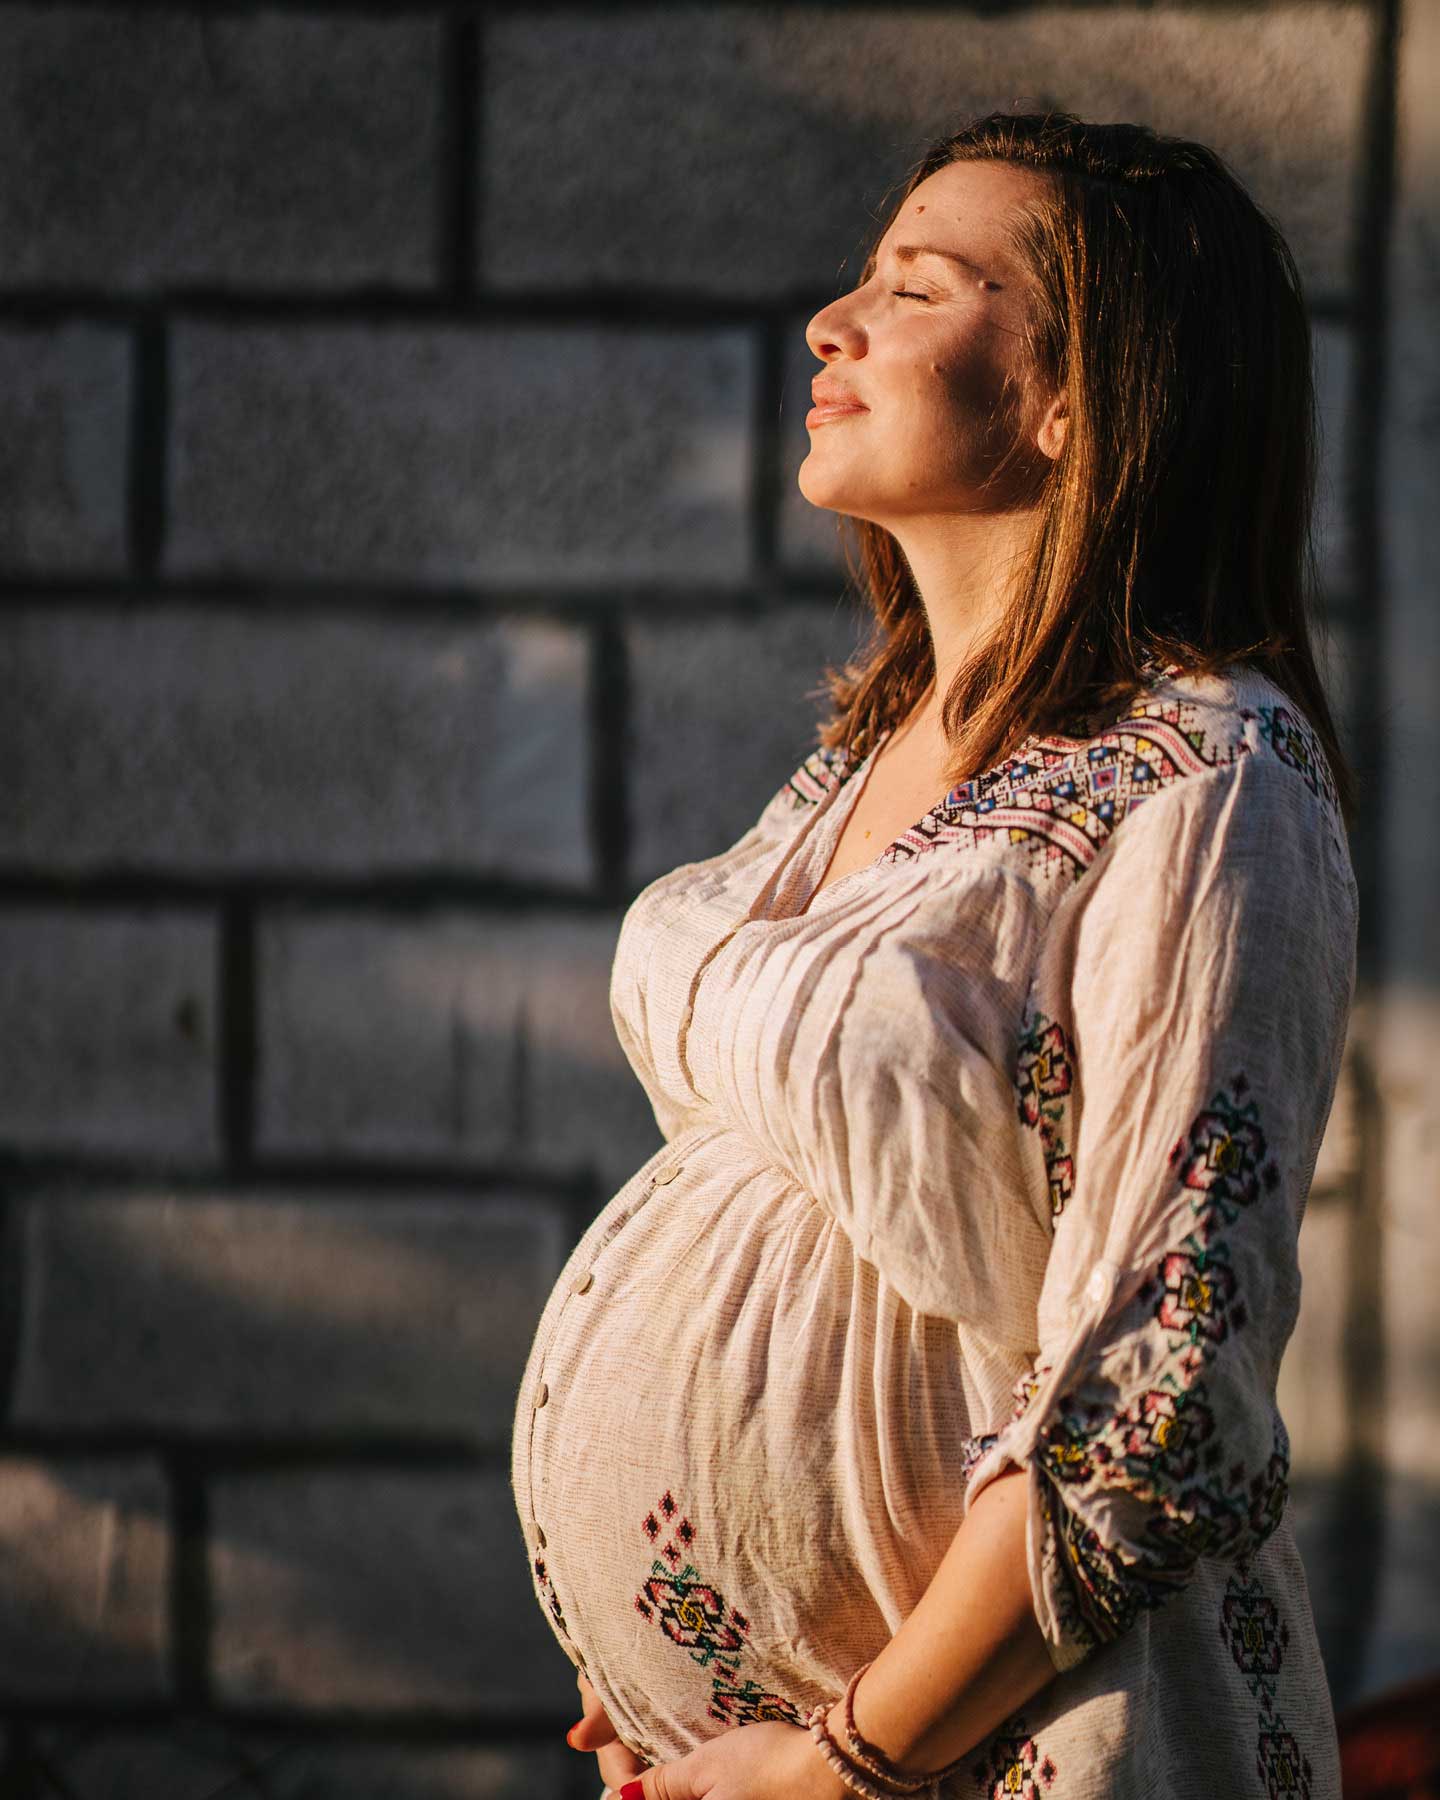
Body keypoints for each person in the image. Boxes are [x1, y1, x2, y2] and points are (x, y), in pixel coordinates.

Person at [511, 110, 1358, 1799]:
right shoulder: (867, 753)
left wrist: (836, 1763)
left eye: (920, 286)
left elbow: (1162, 1386)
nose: (833, 320)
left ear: (1079, 397)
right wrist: (690, 1680)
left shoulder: (1213, 782)